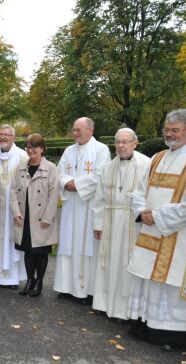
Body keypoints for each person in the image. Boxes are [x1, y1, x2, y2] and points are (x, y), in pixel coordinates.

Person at [128, 109, 186, 351]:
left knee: (168, 282)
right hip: (150, 230)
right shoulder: (157, 158)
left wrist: (156, 216)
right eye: (167, 130)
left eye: (175, 130)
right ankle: (144, 323)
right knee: (147, 277)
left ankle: (169, 334)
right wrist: (141, 211)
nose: (169, 134)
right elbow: (139, 190)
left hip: (174, 234)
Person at [91, 128, 150, 320]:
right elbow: (99, 198)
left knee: (127, 264)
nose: (121, 146)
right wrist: (98, 224)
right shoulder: (108, 167)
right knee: (107, 261)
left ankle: (126, 311)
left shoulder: (146, 165)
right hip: (110, 220)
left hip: (133, 222)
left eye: (125, 142)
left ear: (135, 143)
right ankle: (104, 304)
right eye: (118, 142)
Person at [54, 117, 111, 304]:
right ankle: (65, 287)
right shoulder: (69, 150)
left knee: (85, 247)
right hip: (71, 206)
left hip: (89, 206)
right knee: (68, 245)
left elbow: (101, 176)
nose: (75, 133)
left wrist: (76, 184)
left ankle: (85, 291)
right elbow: (59, 172)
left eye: (78, 130)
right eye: (74, 130)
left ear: (90, 130)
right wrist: (66, 183)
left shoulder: (101, 150)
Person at [11, 133, 59, 297]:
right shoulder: (20, 167)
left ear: (42, 149)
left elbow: (54, 196)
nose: (31, 150)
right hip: (24, 217)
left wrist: (48, 217)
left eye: (34, 147)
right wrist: (16, 212)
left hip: (41, 217)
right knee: (28, 251)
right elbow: (13, 191)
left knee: (41, 252)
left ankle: (39, 282)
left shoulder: (51, 168)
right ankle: (30, 280)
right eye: (28, 147)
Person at [0, 124, 28, 289]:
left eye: (6, 134)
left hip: (14, 208)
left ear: (13, 137)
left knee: (13, 240)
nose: (3, 137)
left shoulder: (22, 156)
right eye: (0, 134)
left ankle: (13, 279)